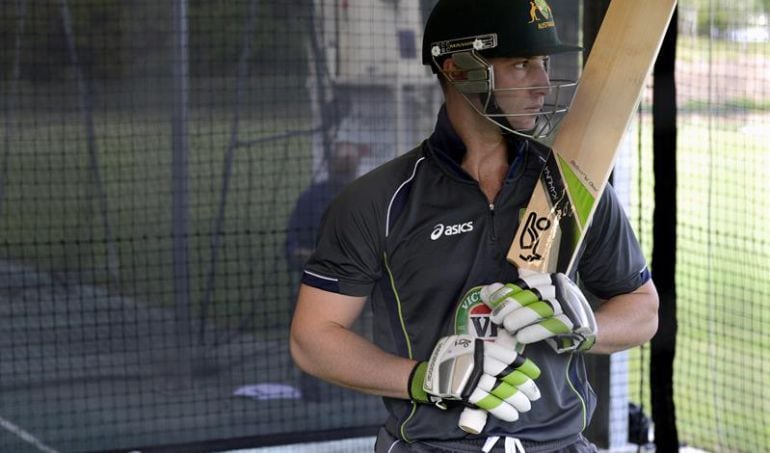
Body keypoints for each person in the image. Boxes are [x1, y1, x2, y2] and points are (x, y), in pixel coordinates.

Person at [290, 0, 659, 451]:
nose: (543, 83)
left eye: (543, 63)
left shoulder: (573, 187)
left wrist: (586, 327)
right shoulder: (379, 201)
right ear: (458, 68)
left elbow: (643, 309)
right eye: (521, 64)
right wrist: (423, 378)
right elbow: (313, 340)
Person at [286, 119, 369, 401]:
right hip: (321, 286)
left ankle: (358, 384)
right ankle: (314, 390)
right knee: (316, 337)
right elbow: (292, 248)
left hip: (363, 285)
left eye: (350, 158)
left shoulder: (368, 195)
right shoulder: (311, 199)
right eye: (341, 158)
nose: (346, 163)